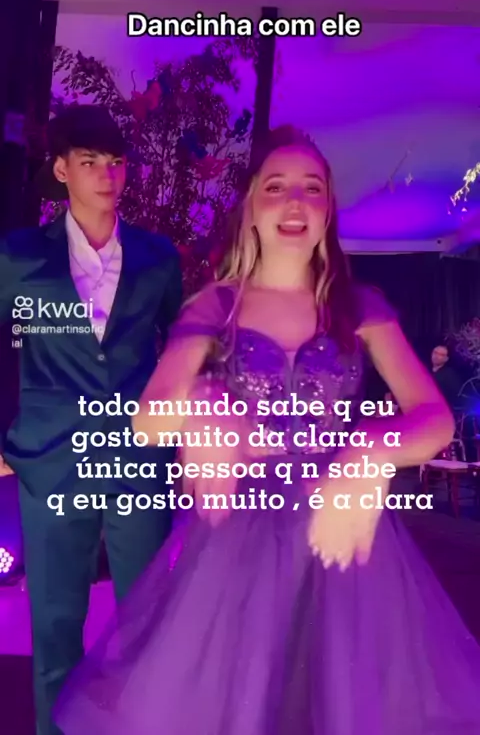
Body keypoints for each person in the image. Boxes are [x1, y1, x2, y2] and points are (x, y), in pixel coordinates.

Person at [54, 126, 480, 734]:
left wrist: (371, 453)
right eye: (276, 187)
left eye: (312, 188)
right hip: (239, 539)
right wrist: (204, 404)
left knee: (343, 700)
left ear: (327, 209)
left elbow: (433, 416)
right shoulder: (216, 306)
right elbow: (149, 419)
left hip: (344, 531)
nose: (295, 201)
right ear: (252, 205)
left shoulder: (361, 306)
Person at [0, 105, 182, 734]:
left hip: (139, 460)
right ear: (61, 170)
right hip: (50, 460)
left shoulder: (158, 257)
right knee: (54, 625)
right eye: (89, 162)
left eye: (116, 162)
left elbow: (184, 348)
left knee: (147, 621)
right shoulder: (17, 256)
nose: (107, 174)